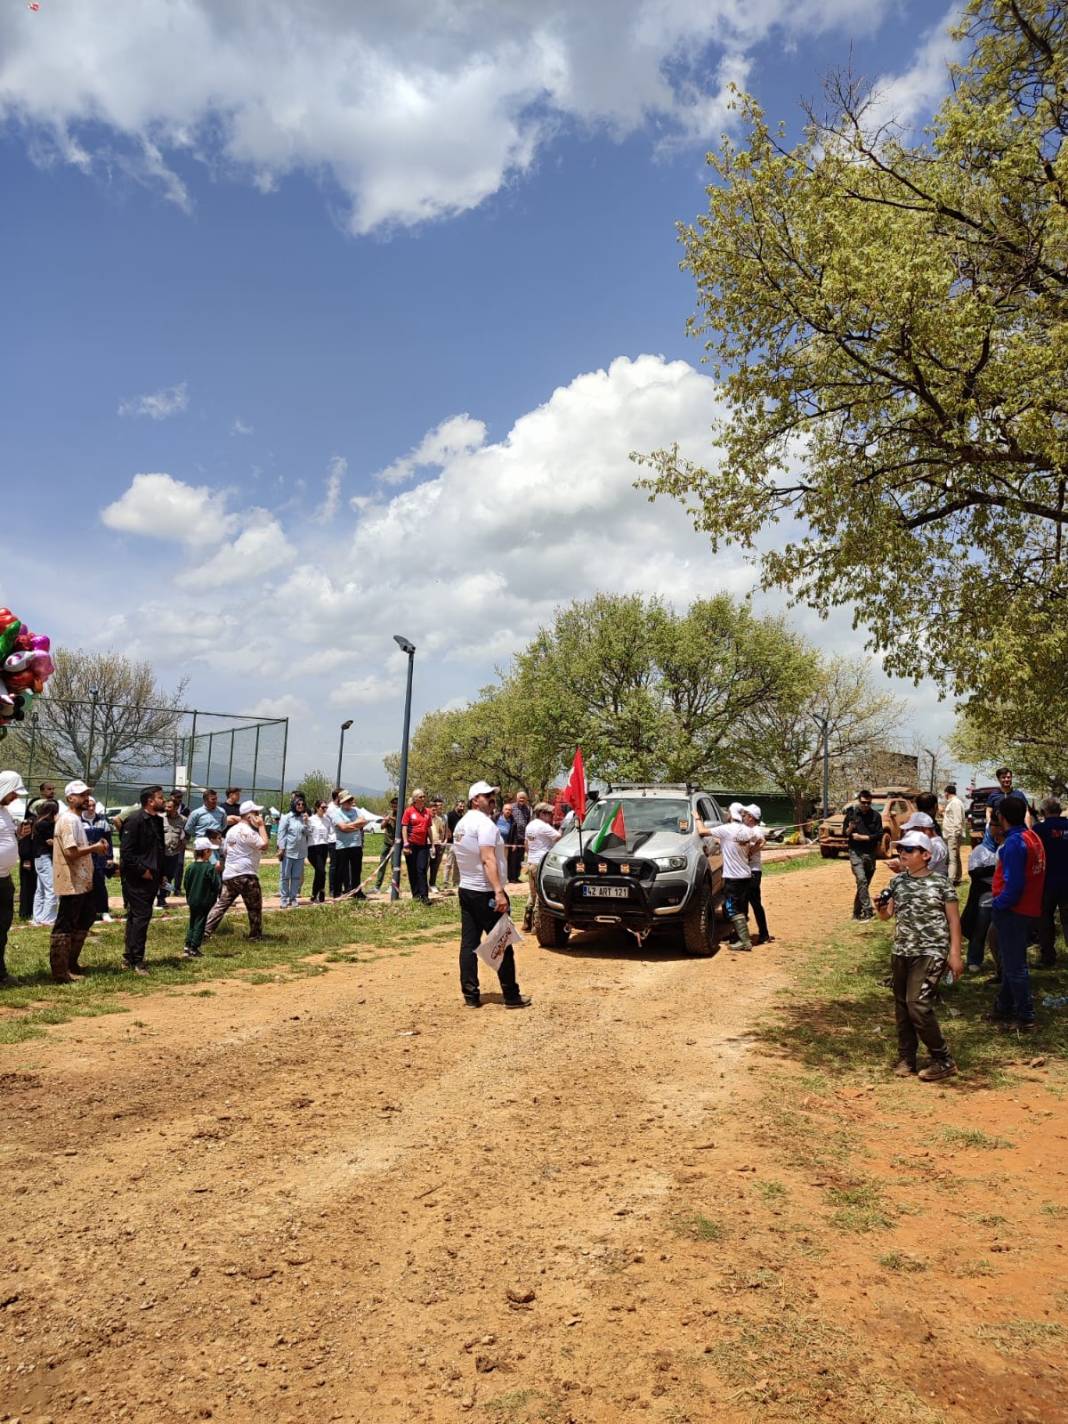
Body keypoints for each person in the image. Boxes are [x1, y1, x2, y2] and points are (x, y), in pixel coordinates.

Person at [875, 830, 962, 1081]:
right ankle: (907, 1058)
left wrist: (955, 954)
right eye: (900, 849)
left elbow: (954, 922)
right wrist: (880, 908)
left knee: (917, 1004)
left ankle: (943, 1059)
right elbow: (886, 916)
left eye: (909, 850)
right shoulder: (897, 883)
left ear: (926, 855)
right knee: (903, 1006)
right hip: (902, 951)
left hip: (931, 951)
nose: (902, 853)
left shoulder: (941, 883)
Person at [451, 780, 530, 1008]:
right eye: (487, 796)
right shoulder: (485, 825)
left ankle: (470, 995)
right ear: (475, 799)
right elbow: (488, 859)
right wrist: (499, 891)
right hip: (485, 890)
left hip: (467, 889)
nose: (492, 800)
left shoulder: (461, 825)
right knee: (502, 943)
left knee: (469, 944)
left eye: (493, 796)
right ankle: (512, 996)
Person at [988, 796, 1045, 1031]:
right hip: (1030, 908)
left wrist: (998, 904)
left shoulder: (1014, 844)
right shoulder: (1032, 837)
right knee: (1013, 961)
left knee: (1014, 966)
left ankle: (1026, 1016)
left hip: (1014, 911)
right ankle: (1004, 1007)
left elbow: (1014, 885)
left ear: (1001, 817)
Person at [50, 779, 110, 983]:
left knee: (84, 920)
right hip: (70, 881)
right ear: (70, 798)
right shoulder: (68, 820)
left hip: (82, 881)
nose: (86, 798)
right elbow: (70, 851)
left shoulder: (76, 820)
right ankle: (60, 971)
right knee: (65, 925)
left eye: (87, 795)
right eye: (81, 795)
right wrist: (95, 848)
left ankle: (72, 963)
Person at [696, 802, 761, 951]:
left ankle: (745, 941)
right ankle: (739, 937)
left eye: (728, 813)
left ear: (731, 815)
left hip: (733, 877)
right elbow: (759, 840)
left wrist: (697, 818)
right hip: (745, 875)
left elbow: (702, 831)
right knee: (740, 907)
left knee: (731, 908)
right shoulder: (747, 830)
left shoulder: (726, 829)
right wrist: (751, 852)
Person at [204, 800, 269, 940]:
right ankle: (255, 935)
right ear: (249, 816)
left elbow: (226, 851)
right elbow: (264, 845)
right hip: (246, 874)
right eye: (256, 813)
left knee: (221, 905)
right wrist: (262, 826)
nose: (259, 816)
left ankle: (205, 931)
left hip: (230, 874)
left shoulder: (231, 831)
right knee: (254, 907)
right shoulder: (249, 831)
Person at [120, 786, 166, 973]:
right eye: (160, 798)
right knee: (141, 917)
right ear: (150, 801)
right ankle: (137, 960)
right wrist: (142, 871)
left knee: (137, 917)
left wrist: (161, 873)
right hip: (137, 878)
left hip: (153, 876)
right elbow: (126, 852)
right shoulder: (135, 820)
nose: (164, 801)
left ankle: (129, 956)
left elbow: (159, 849)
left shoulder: (157, 821)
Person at [0, 771, 28, 984]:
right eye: (13, 793)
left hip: (5, 879)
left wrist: (19, 835)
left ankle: (0, 973)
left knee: (3, 926)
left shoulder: (5, 812)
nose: (15, 797)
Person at [1034, 796, 1068, 968]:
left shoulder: (1038, 829)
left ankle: (1048, 957)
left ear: (1044, 811)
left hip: (1046, 883)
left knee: (1045, 920)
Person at [960, 828, 999, 973]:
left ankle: (1000, 964)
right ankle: (974, 960)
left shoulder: (1004, 848)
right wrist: (995, 869)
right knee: (979, 931)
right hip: (984, 899)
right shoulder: (979, 851)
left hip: (1001, 898)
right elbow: (974, 872)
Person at [843, 789, 882, 921]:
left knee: (864, 884)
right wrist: (850, 828)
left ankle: (856, 912)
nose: (865, 805)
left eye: (868, 803)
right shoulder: (851, 814)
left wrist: (863, 837)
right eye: (863, 802)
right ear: (859, 801)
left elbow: (879, 835)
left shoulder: (876, 816)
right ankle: (868, 910)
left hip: (870, 853)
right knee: (861, 880)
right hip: (855, 852)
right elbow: (845, 833)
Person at [521, 801, 560, 932]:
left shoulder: (530, 826)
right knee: (540, 895)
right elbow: (559, 836)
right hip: (541, 864)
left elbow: (526, 844)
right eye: (549, 813)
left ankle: (527, 921)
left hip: (532, 862)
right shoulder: (544, 826)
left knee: (532, 894)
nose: (551, 815)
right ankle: (536, 925)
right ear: (542, 813)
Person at [182, 836, 220, 958]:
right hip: (204, 901)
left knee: (192, 921)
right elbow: (216, 884)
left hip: (192, 899)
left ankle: (187, 945)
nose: (211, 853)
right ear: (205, 852)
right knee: (200, 922)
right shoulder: (209, 868)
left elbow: (186, 884)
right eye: (210, 850)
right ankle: (194, 947)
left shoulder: (190, 867)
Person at [327, 791, 370, 898]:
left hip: (356, 844)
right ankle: (337, 892)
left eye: (350, 800)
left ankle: (357, 892)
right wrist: (356, 824)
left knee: (356, 870)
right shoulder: (336, 813)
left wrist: (349, 825)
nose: (349, 802)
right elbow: (343, 828)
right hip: (343, 846)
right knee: (341, 869)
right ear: (341, 802)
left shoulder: (357, 811)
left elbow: (364, 822)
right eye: (346, 801)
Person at [742, 804, 773, 943]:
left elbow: (762, 842)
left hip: (753, 871)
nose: (743, 816)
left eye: (745, 815)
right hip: (743, 871)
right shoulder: (746, 829)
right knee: (741, 903)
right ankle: (740, 933)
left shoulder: (755, 830)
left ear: (751, 817)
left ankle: (764, 933)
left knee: (755, 902)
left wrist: (750, 852)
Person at [82, 794, 115, 923]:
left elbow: (109, 841)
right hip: (83, 858)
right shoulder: (78, 821)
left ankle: (104, 911)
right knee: (85, 886)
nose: (91, 808)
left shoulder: (102, 821)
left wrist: (109, 857)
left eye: (93, 805)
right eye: (88, 805)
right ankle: (87, 912)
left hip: (99, 859)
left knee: (100, 884)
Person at [276, 792, 310, 907]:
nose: (300, 806)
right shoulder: (286, 817)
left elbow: (308, 833)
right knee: (285, 876)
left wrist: (306, 823)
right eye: (298, 804)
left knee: (296, 877)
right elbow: (281, 834)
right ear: (294, 804)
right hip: (288, 852)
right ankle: (284, 899)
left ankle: (293, 897)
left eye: (302, 804)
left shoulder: (303, 818)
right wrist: (281, 848)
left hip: (300, 852)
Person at [401, 789, 433, 903]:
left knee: (422, 869)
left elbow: (429, 828)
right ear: (415, 799)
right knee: (412, 870)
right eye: (420, 797)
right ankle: (416, 894)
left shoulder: (427, 812)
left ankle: (425, 896)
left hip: (423, 845)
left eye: (424, 796)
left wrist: (432, 843)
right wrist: (405, 844)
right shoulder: (409, 811)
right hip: (411, 844)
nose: (423, 798)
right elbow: (404, 827)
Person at [31, 797, 59, 926]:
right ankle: (48, 918)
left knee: (41, 889)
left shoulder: (38, 822)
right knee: (51, 889)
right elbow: (51, 842)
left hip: (39, 858)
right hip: (45, 857)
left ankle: (38, 916)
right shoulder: (46, 824)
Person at [158, 793, 188, 907]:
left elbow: (188, 834)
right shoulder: (160, 818)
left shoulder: (183, 820)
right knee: (160, 874)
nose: (167, 809)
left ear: (176, 808)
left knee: (169, 875)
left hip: (174, 853)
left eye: (169, 807)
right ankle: (157, 896)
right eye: (166, 806)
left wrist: (183, 844)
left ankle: (163, 897)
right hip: (161, 853)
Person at [306, 799, 332, 903]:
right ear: (317, 808)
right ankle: (320, 890)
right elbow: (306, 834)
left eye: (326, 807)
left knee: (319, 872)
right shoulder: (311, 820)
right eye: (323, 807)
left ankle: (315, 894)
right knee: (321, 871)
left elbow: (330, 834)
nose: (325, 809)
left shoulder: (327, 820)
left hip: (324, 847)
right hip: (313, 848)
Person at [941, 783, 967, 886]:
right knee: (956, 857)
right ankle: (957, 877)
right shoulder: (952, 803)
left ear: (947, 793)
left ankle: (950, 881)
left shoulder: (955, 803)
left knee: (952, 859)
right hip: (950, 834)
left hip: (953, 834)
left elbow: (957, 820)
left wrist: (955, 834)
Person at [374, 797, 399, 891]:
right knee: (382, 864)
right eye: (392, 806)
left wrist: (391, 818)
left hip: (396, 844)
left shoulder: (402, 814)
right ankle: (377, 887)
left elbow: (401, 824)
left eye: (395, 806)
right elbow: (381, 827)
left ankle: (393, 886)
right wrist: (386, 820)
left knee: (394, 865)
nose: (394, 808)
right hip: (387, 843)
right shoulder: (389, 814)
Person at [17, 809, 36, 920]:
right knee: (27, 886)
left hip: (31, 857)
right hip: (28, 859)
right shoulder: (28, 822)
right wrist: (26, 859)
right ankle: (25, 912)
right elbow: (25, 841)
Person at [510, 792, 532, 884]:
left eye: (523, 798)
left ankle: (517, 877)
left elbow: (528, 822)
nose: (522, 800)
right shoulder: (512, 807)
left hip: (523, 837)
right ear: (517, 798)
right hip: (513, 837)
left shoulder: (527, 809)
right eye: (520, 798)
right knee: (513, 858)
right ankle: (511, 877)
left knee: (520, 859)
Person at [429, 797, 448, 890]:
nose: (434, 809)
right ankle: (424, 885)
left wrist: (442, 840)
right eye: (433, 808)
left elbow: (442, 831)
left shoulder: (441, 819)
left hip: (437, 845)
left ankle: (432, 884)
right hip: (427, 845)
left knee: (435, 865)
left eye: (436, 808)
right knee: (424, 866)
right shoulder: (426, 817)